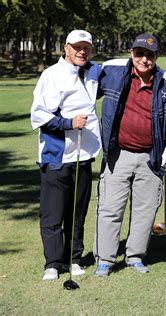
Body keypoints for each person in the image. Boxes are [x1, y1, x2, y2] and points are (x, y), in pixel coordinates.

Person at [93, 33, 166, 276]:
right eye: (140, 53)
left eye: (150, 55)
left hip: (150, 158)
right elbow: (85, 89)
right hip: (118, 155)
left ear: (157, 57)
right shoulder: (112, 73)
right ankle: (105, 260)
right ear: (132, 53)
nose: (144, 59)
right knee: (110, 208)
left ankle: (134, 257)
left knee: (145, 210)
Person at [31, 30, 101, 281]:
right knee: (53, 212)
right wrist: (69, 123)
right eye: (77, 47)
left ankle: (74, 258)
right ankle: (53, 262)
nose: (82, 51)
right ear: (66, 48)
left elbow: (121, 67)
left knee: (77, 211)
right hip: (56, 154)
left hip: (83, 154)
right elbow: (39, 115)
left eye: (86, 47)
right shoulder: (51, 75)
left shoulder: (93, 71)